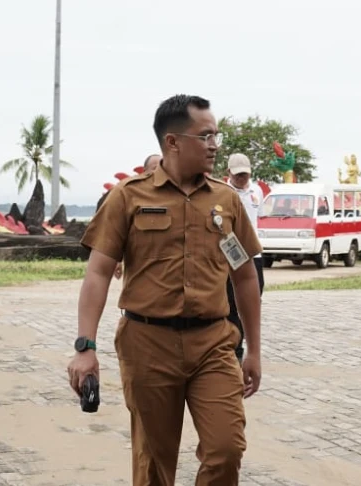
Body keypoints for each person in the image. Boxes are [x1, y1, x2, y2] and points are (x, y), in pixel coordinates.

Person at [66, 94, 263, 486]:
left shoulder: (225, 200)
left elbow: (244, 277)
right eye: (205, 136)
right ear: (172, 141)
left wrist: (254, 350)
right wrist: (85, 347)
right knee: (153, 465)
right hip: (147, 344)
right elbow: (98, 274)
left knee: (226, 450)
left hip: (213, 343)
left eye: (216, 136)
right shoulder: (128, 196)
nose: (214, 145)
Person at [225, 152, 265, 362]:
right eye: (238, 174)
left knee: (253, 299)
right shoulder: (223, 193)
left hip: (254, 255)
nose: (242, 178)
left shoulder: (256, 191)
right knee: (231, 302)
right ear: (229, 172)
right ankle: (235, 348)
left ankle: (249, 344)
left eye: (245, 174)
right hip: (231, 256)